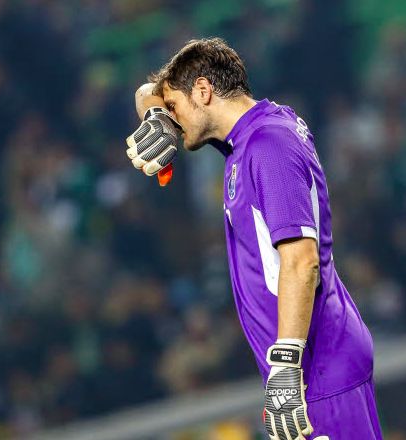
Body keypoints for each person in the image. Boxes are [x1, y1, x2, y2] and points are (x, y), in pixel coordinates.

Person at [126, 37, 382, 440]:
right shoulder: (250, 135)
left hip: (315, 371)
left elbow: (301, 261)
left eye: (173, 107)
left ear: (203, 91)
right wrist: (154, 113)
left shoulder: (268, 146)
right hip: (308, 370)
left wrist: (286, 367)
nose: (171, 121)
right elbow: (146, 92)